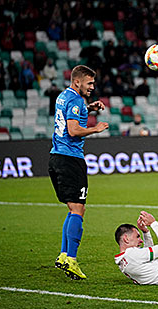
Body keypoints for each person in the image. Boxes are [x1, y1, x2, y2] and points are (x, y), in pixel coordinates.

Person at [49, 65, 109, 280]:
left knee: (73, 207)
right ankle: (71, 259)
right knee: (78, 209)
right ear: (77, 82)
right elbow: (73, 130)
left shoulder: (65, 96)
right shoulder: (75, 100)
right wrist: (96, 128)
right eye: (89, 83)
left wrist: (89, 109)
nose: (93, 86)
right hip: (70, 159)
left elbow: (69, 119)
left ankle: (64, 255)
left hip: (56, 156)